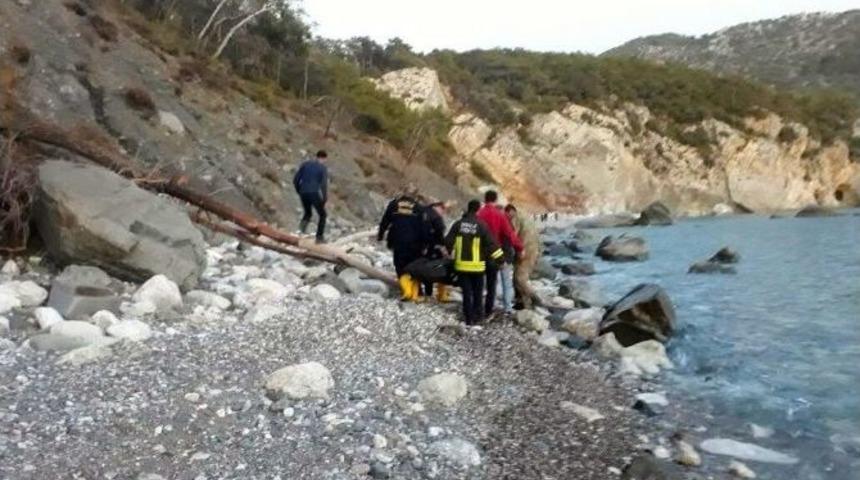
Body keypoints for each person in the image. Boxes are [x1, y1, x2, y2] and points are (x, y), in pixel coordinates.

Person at [445, 200, 504, 325]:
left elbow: (448, 241)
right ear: (478, 210)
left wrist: (450, 251)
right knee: (478, 293)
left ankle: (468, 319)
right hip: (477, 267)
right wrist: (500, 259)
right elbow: (491, 244)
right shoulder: (481, 226)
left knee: (466, 293)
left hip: (462, 265)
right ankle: (478, 316)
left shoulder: (458, 224)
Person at [477, 190, 523, 319]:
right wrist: (520, 247)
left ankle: (479, 307)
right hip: (497, 253)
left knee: (481, 282)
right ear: (496, 200)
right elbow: (510, 234)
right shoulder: (499, 215)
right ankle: (503, 308)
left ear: (485, 199)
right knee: (501, 282)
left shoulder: (479, 214)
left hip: (480, 253)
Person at [378, 184, 428, 301]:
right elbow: (424, 228)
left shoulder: (394, 205)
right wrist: (425, 245)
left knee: (400, 266)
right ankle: (417, 293)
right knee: (415, 267)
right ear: (415, 196)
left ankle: (406, 291)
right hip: (415, 244)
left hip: (398, 242)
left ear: (403, 193)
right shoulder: (419, 208)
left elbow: (385, 221)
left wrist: (380, 235)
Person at [505, 204, 541, 309]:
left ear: (511, 211)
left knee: (519, 279)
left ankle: (534, 298)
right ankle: (521, 302)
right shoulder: (524, 216)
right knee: (516, 278)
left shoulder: (516, 219)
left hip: (525, 250)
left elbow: (512, 236)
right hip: (532, 249)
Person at [293, 150, 329, 243]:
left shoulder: (305, 164)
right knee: (323, 215)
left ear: (316, 156)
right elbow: (323, 185)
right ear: (324, 158)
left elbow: (296, 179)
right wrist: (325, 198)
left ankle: (300, 232)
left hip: (303, 192)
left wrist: (299, 190)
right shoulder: (322, 168)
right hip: (313, 192)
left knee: (308, 213)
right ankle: (319, 237)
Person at [421, 199, 450, 302]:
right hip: (433, 248)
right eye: (443, 210)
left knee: (424, 270)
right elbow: (440, 234)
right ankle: (441, 295)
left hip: (420, 246)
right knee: (440, 269)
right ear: (439, 207)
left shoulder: (423, 212)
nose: (443, 213)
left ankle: (426, 293)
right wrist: (444, 247)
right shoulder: (436, 217)